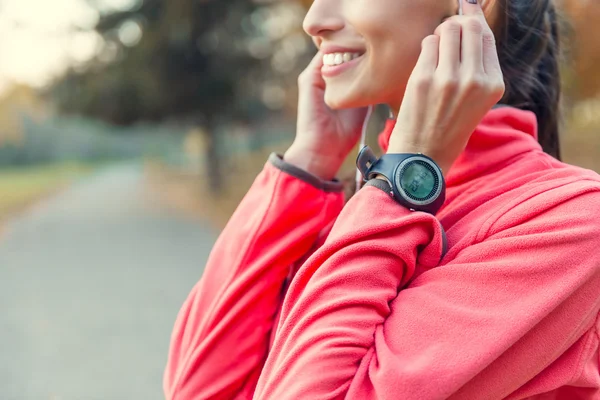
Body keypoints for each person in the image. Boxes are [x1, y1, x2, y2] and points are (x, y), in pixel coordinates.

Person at [163, 0, 600, 398]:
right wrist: (308, 164)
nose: (314, 20)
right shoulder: (366, 213)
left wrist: (405, 176)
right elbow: (198, 390)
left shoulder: (571, 221)